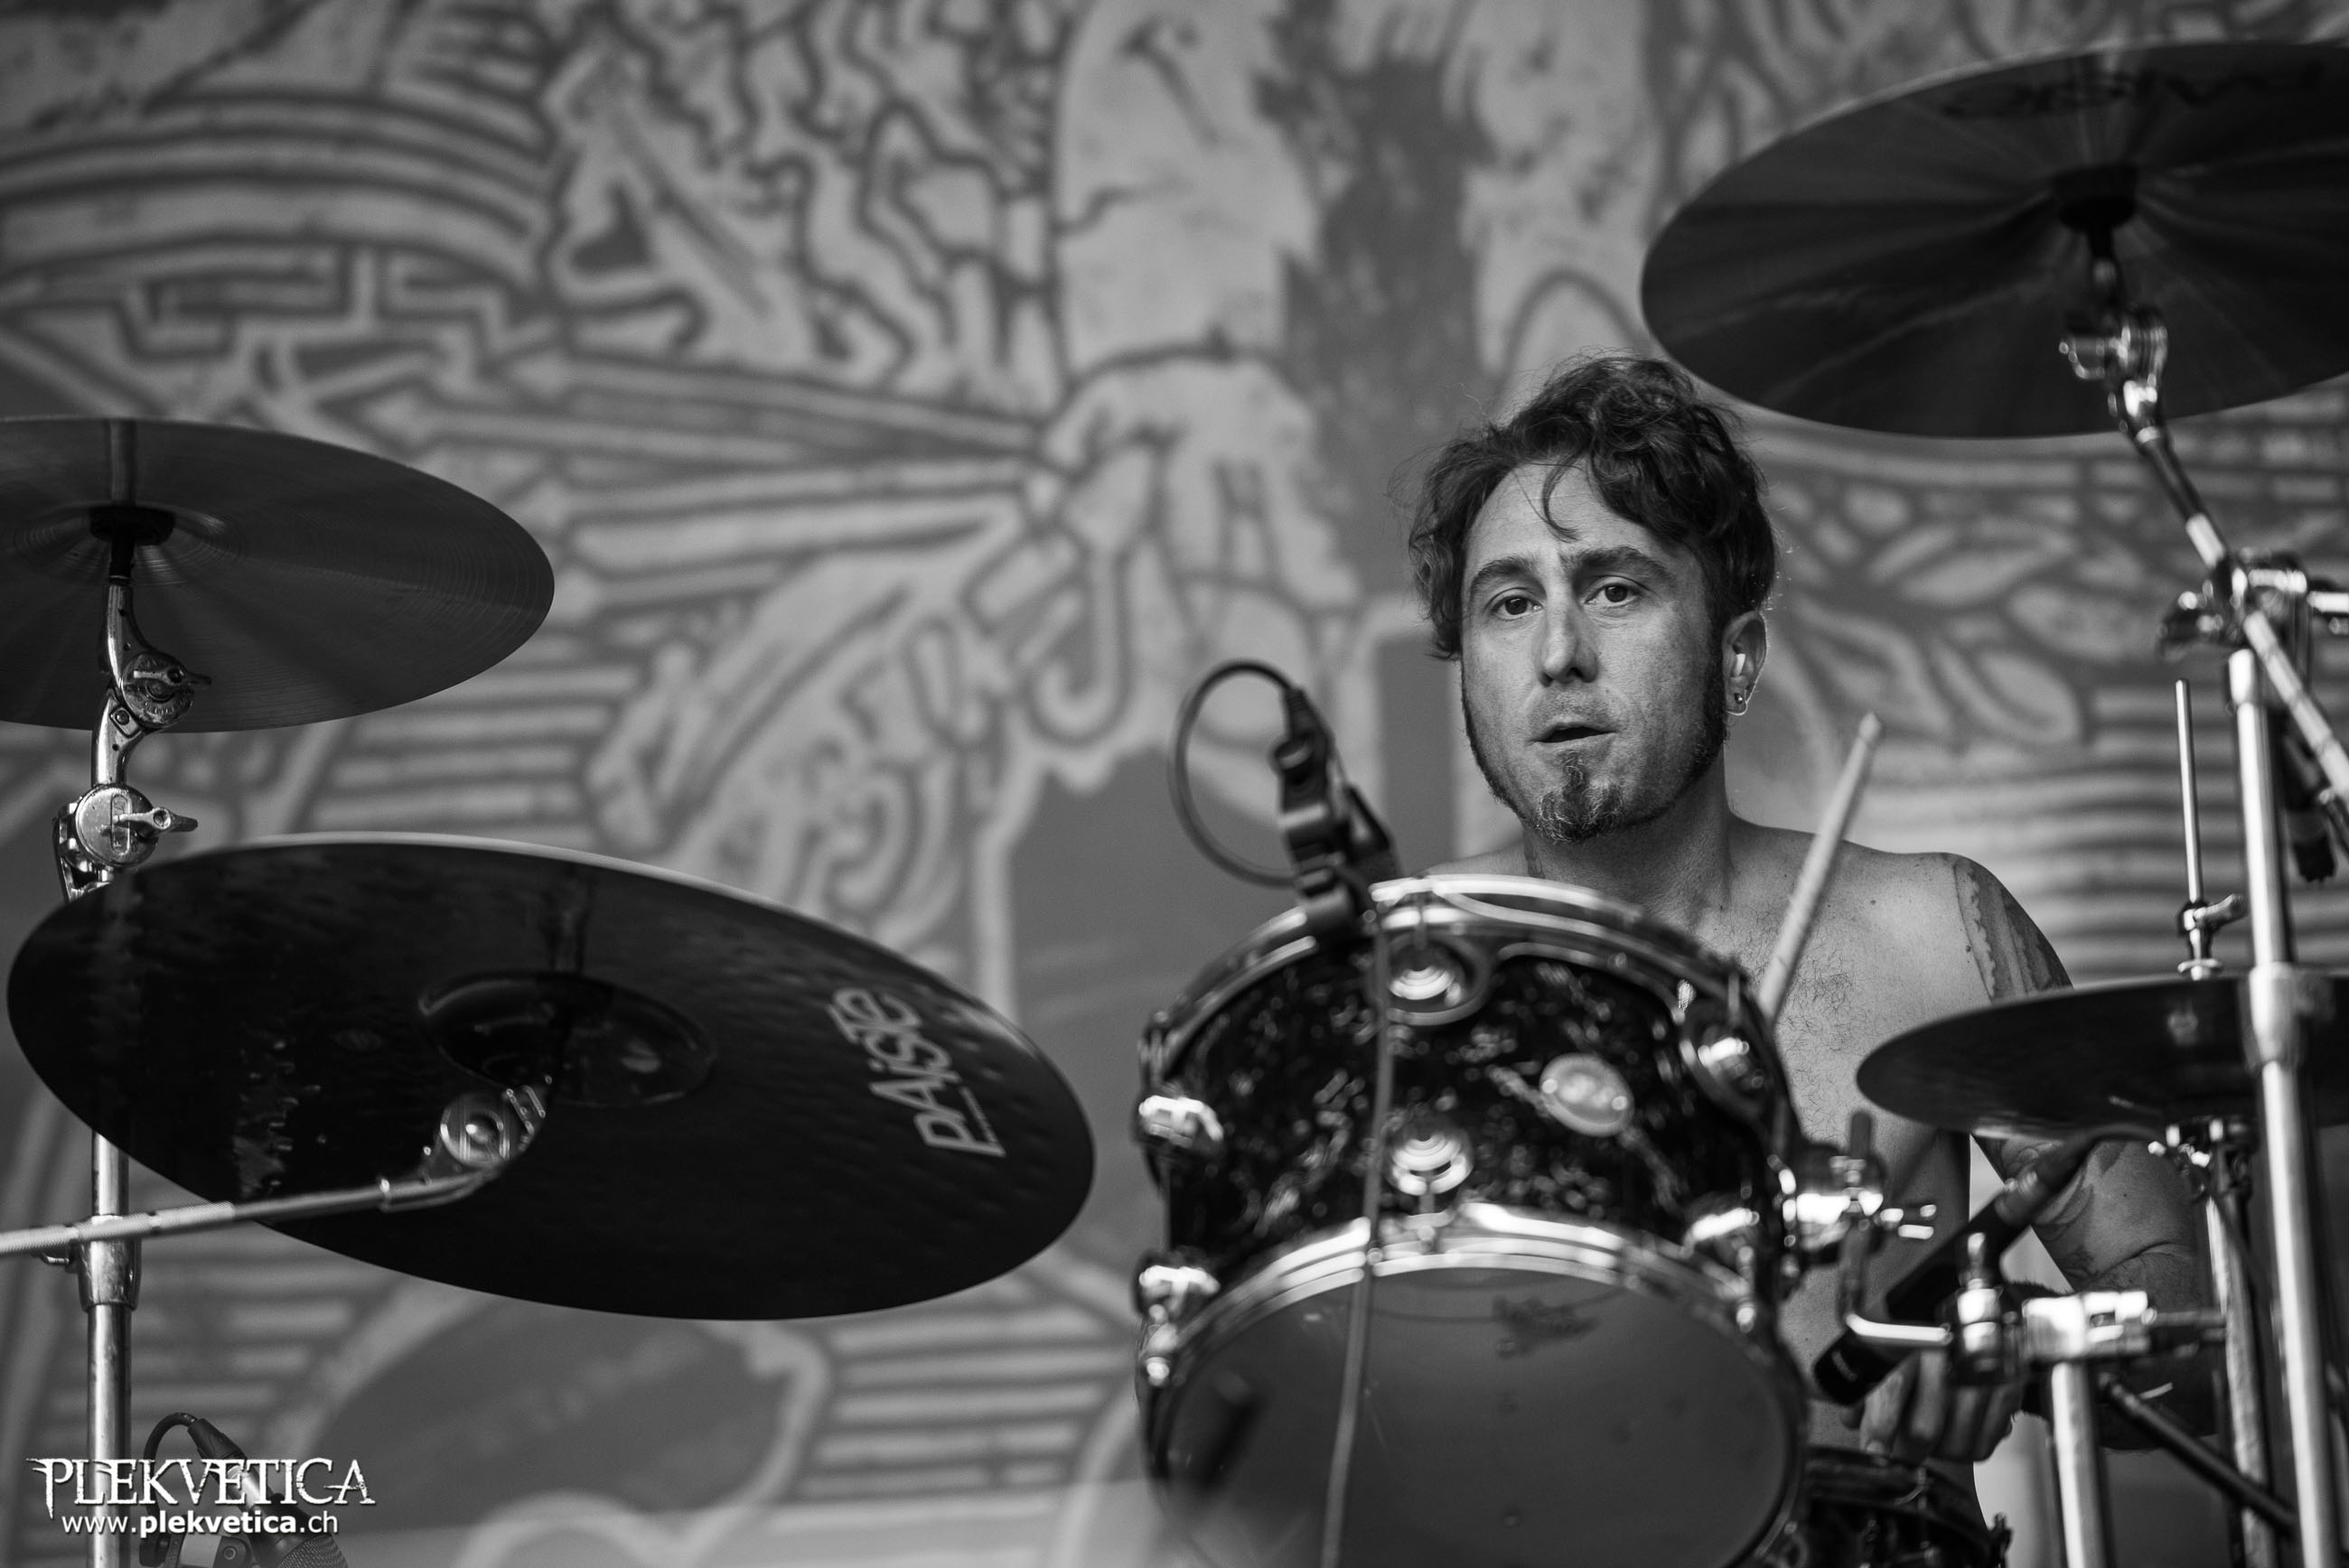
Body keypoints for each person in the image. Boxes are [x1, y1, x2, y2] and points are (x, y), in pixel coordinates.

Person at [1407, 356, 2207, 1483]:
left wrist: (2010, 1340)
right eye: (1508, 603)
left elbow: (2186, 1330)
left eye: (1614, 589)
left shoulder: (1931, 934)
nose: (1557, 653)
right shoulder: (1402, 973)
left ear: (1735, 657)